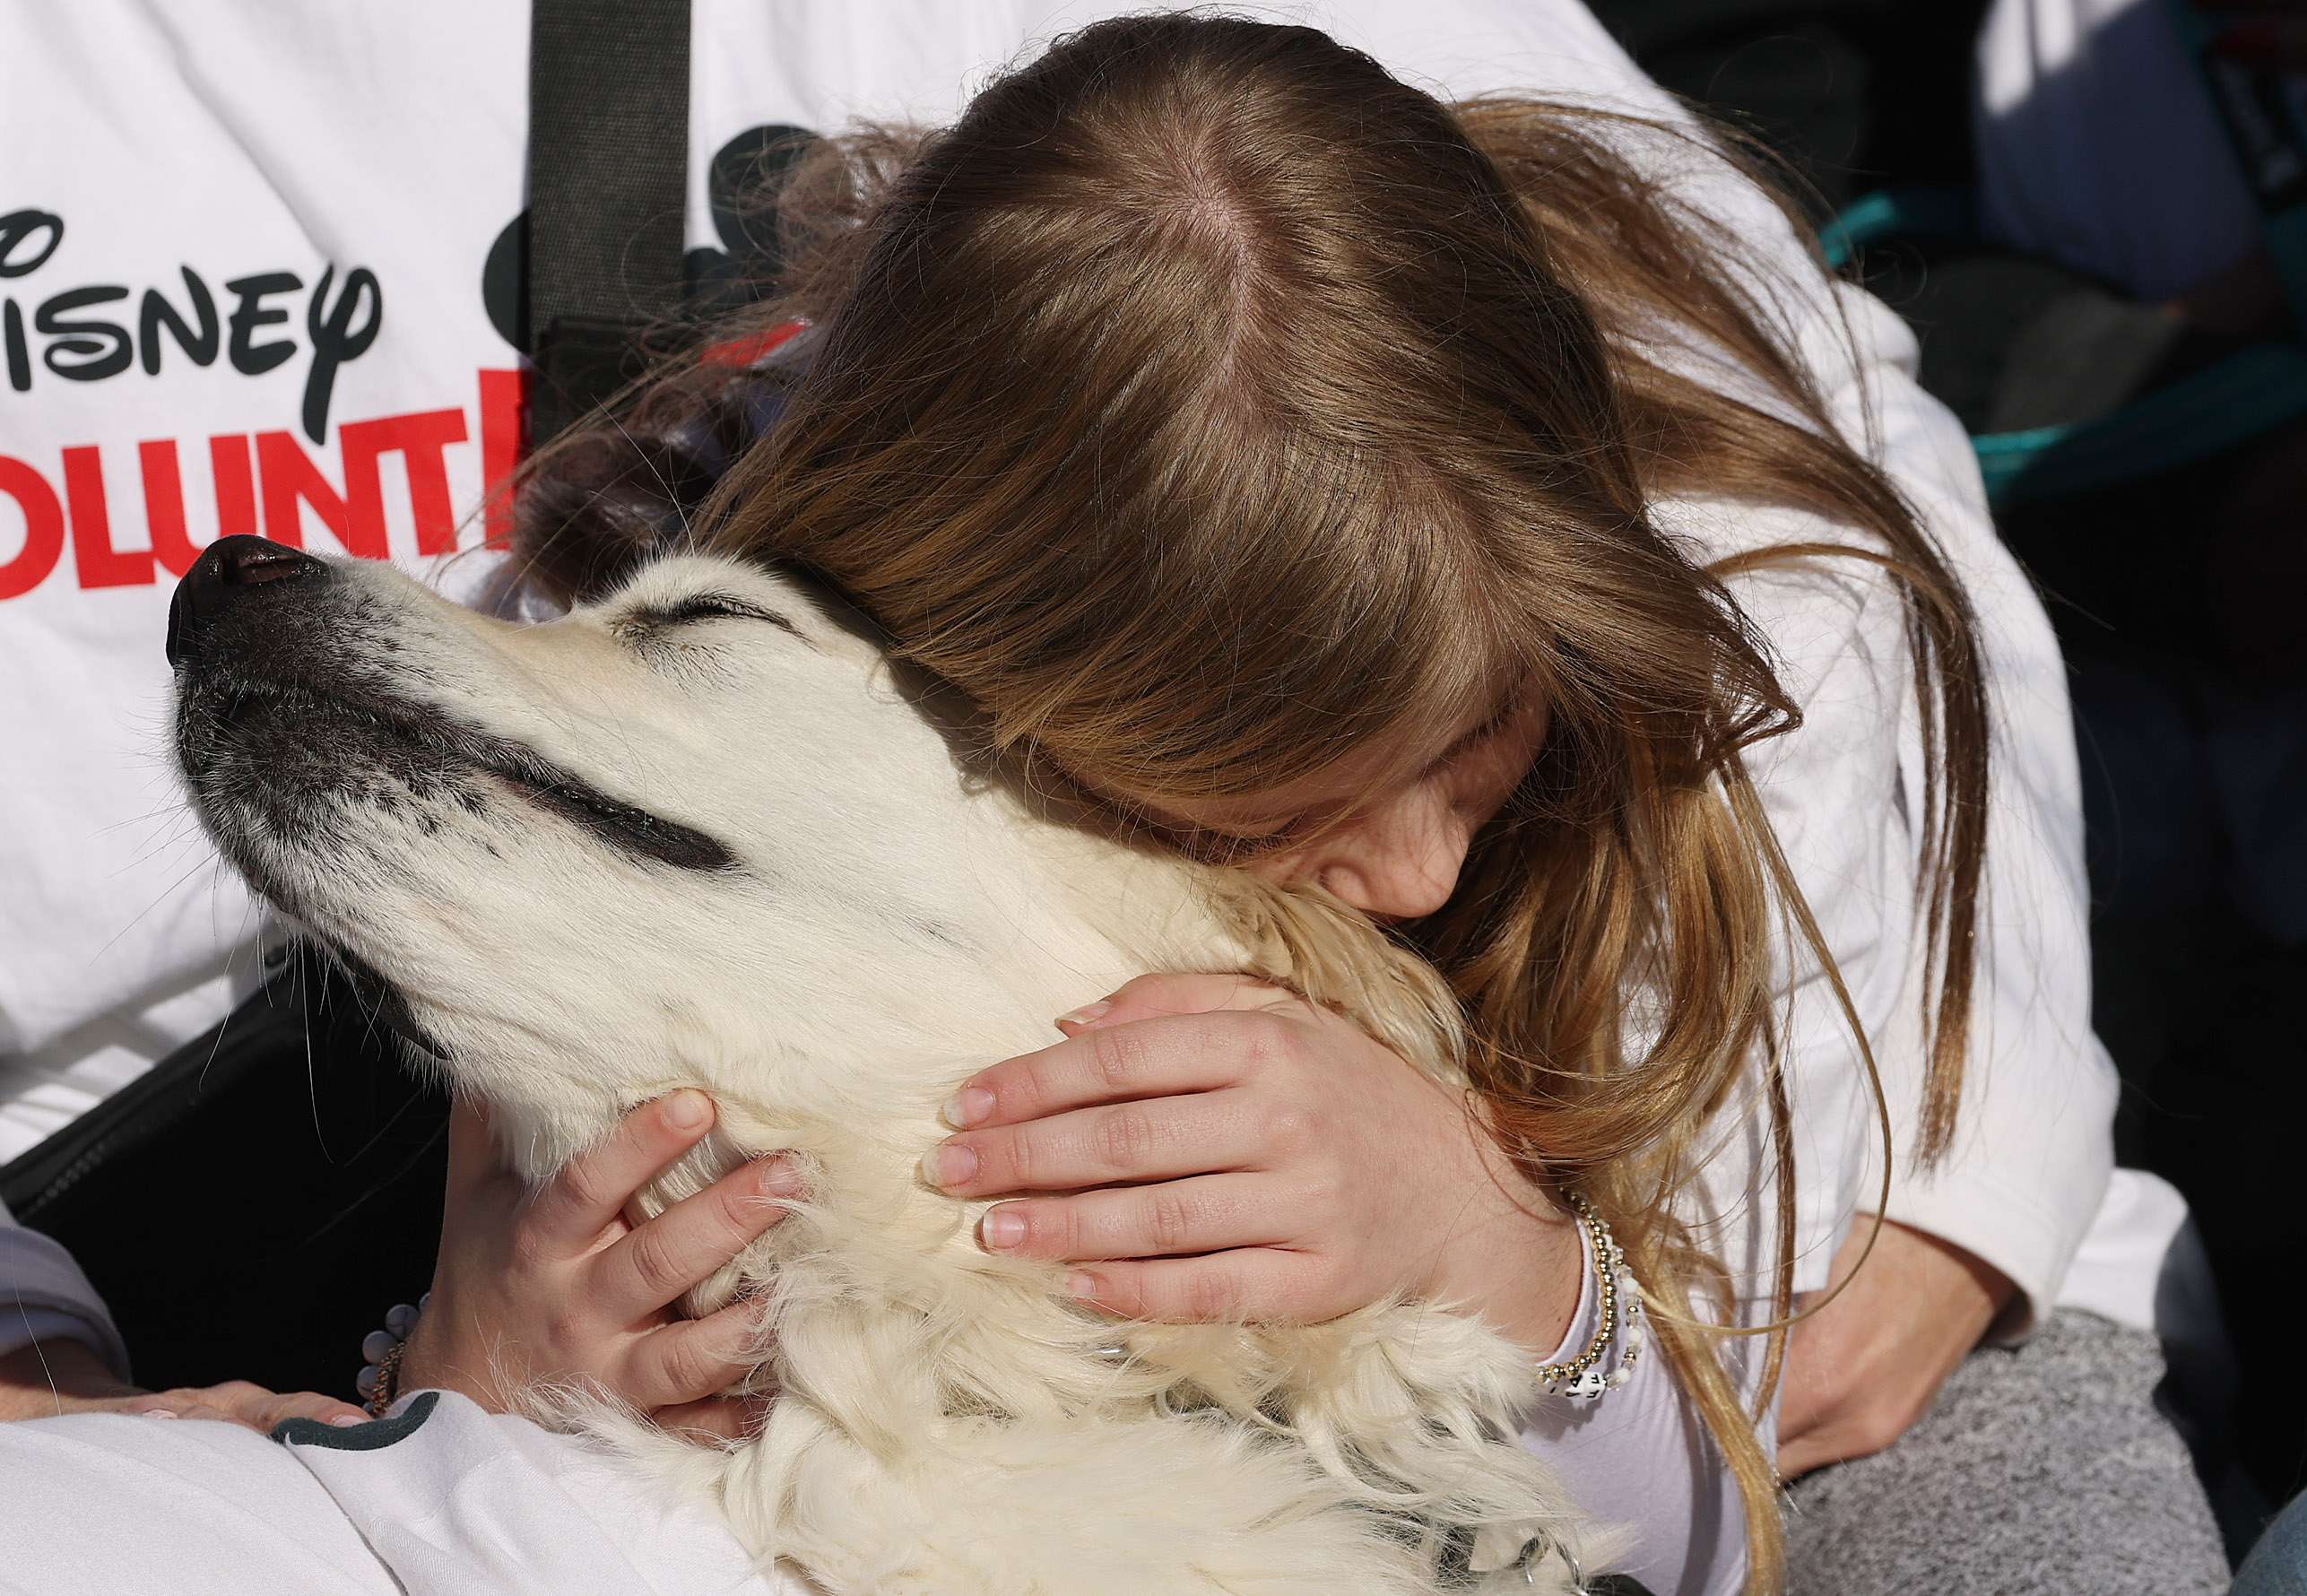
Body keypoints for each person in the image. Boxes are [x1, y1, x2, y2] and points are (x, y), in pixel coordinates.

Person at [0, 7, 2224, 1595]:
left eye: (1448, 769)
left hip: (1740, 1262)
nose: (1405, 866)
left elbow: (1715, 1483)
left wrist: (1912, 1172)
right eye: (1237, 778)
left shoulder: (1642, 585)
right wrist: (432, 1397)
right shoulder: (701, 639)